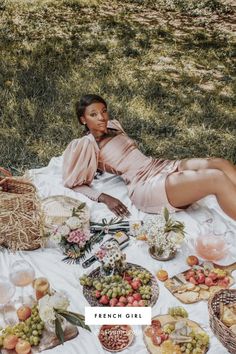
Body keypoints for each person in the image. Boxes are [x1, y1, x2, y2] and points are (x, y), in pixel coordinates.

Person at [62, 94, 236, 220]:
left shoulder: (113, 125)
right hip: (144, 185)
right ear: (83, 120)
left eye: (104, 111)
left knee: (220, 163)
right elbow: (73, 182)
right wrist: (106, 198)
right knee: (216, 178)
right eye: (93, 114)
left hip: (158, 165)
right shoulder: (86, 144)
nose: (102, 117)